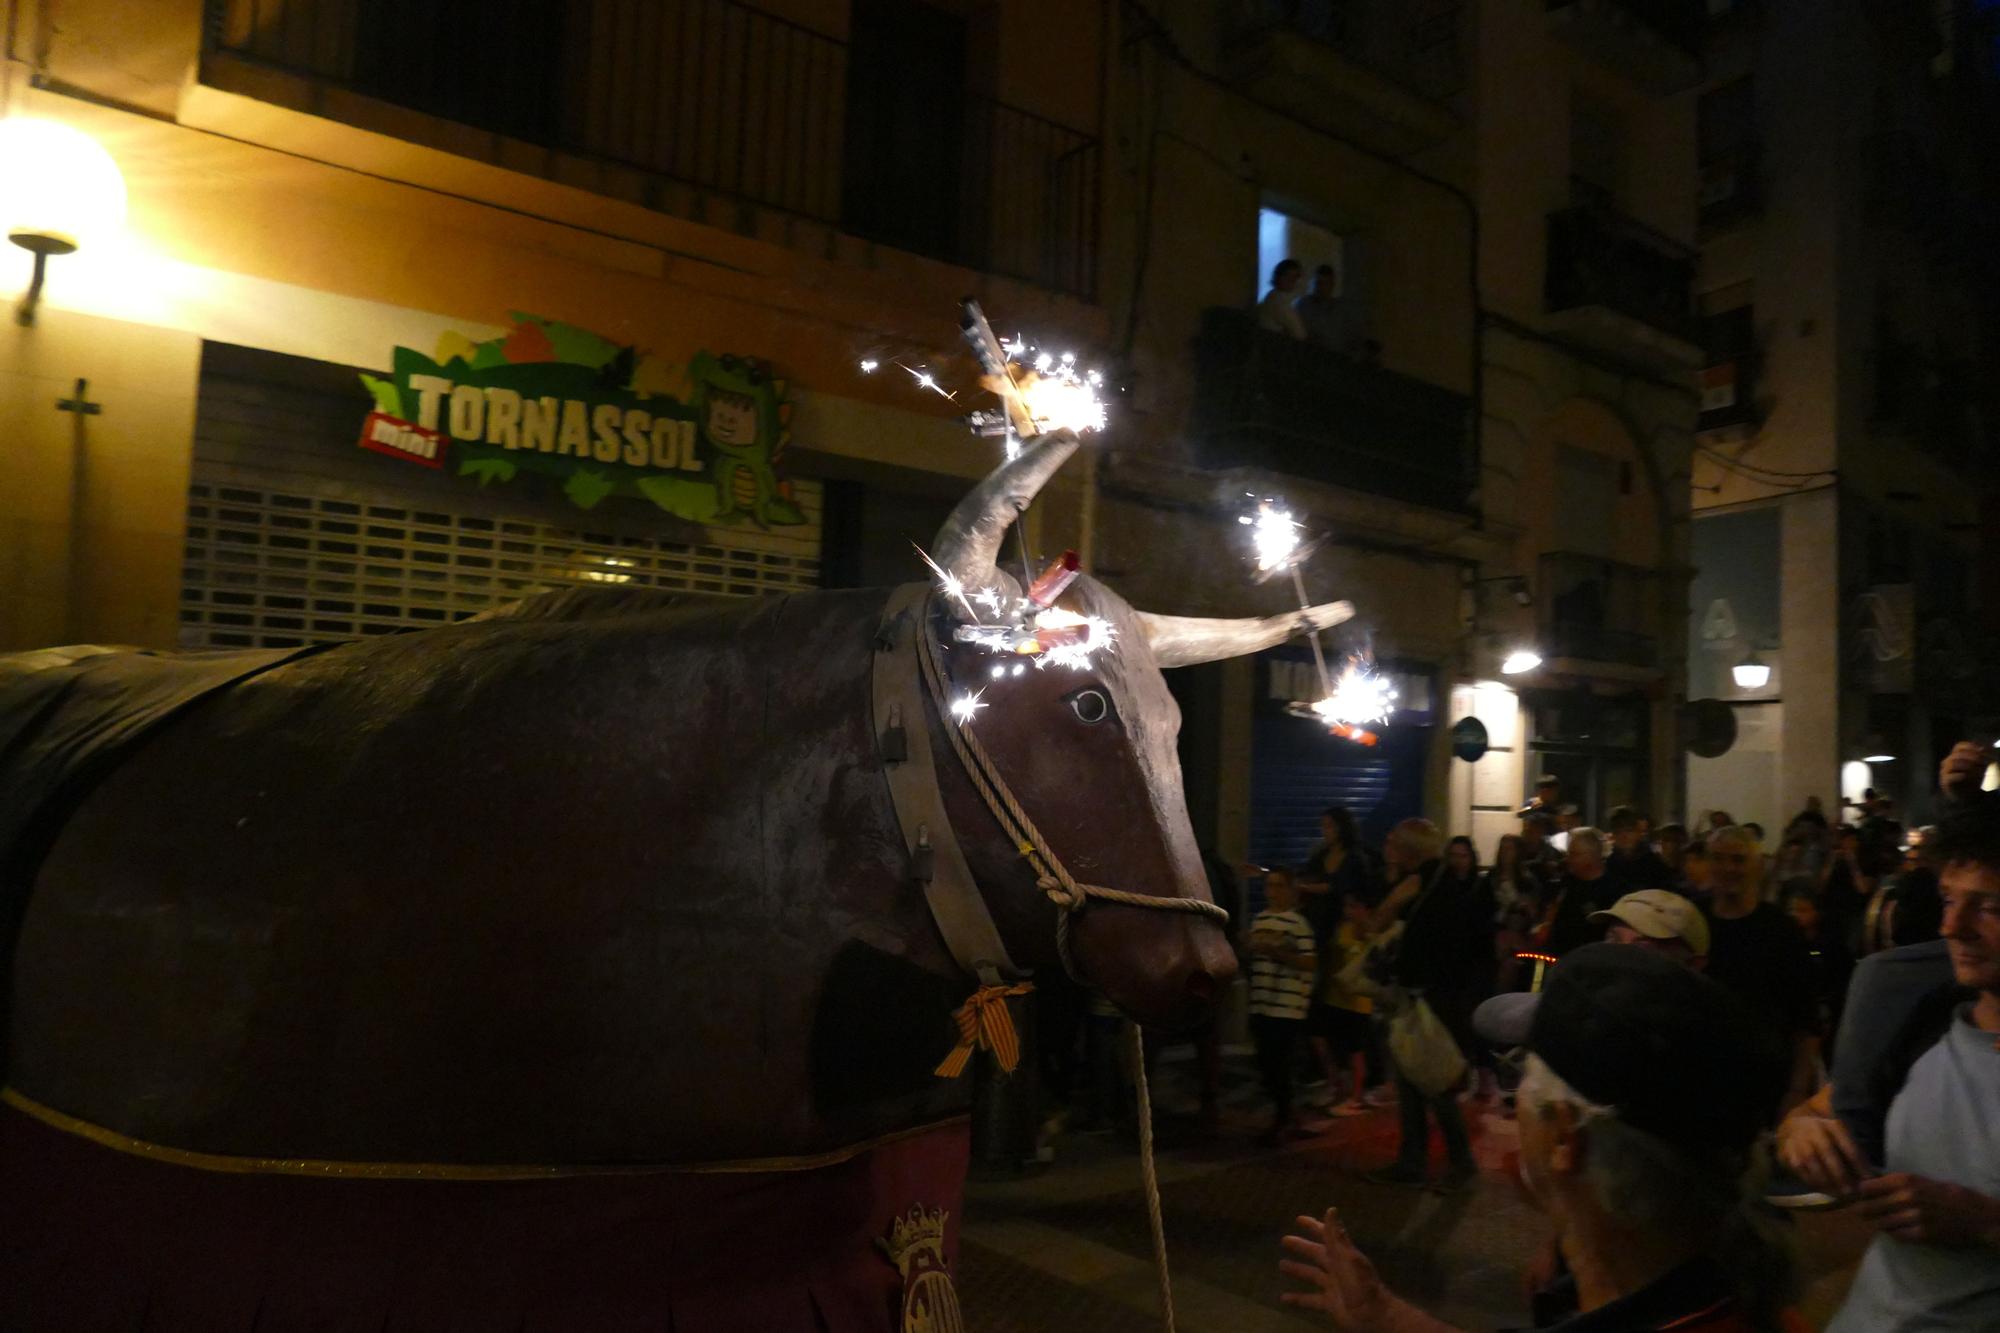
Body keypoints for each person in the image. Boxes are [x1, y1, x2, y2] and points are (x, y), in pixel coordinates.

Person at [1280, 945, 1800, 1332]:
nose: (1513, 1094)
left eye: (1521, 1072)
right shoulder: (1723, 1295)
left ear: (1561, 1137)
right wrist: (1387, 1317)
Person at [1820, 805, 2000, 1332]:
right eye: (1949, 900)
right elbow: (1818, 1113)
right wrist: (1804, 1130)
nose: (1952, 926)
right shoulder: (1918, 1021)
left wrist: (1982, 1222)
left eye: (1989, 906)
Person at [1366, 821, 1488, 1193]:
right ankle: (1413, 1160)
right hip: (1429, 995)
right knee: (1413, 1079)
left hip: (1431, 997)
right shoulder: (1441, 882)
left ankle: (1458, 1164)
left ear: (1410, 851)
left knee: (1434, 1081)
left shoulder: (1423, 883)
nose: (1387, 847)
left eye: (1393, 843)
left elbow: (1380, 920)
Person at [1704, 825, 1820, 1114]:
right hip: (1705, 1082)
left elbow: (1806, 1020)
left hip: (1767, 1085)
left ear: (1757, 866)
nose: (1728, 868)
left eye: (1738, 860)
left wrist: (1796, 1091)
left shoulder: (1781, 930)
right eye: (1718, 858)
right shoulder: (1693, 922)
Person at [1246, 867, 1318, 1144]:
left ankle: (1283, 1118)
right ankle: (1287, 1115)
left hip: (1286, 1006)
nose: (1272, 892)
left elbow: (1310, 963)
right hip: (1262, 1003)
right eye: (1269, 886)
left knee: (1280, 1064)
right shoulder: (1260, 919)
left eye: (1278, 886)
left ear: (1290, 890)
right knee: (1267, 1062)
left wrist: (1276, 952)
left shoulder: (1298, 924)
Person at [1317, 891, 1385, 1116]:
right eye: (1348, 907)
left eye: (1355, 906)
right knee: (1335, 1046)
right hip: (1336, 998)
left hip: (1358, 1003)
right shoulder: (1342, 930)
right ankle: (1339, 1087)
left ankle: (1357, 1096)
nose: (1350, 912)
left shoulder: (1373, 936)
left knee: (1357, 1050)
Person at [1781, 884, 1855, 1060]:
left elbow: (1842, 981)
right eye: (1792, 910)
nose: (1795, 915)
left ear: (1816, 913)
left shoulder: (1831, 944)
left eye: (1803, 910)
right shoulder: (1785, 942)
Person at [1531, 828, 1612, 960]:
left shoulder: (1612, 889)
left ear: (1592, 855)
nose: (1568, 859)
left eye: (1574, 854)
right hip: (1561, 960)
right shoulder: (1567, 883)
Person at [1602, 807, 1675, 899]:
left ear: (1638, 833)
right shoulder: (1607, 866)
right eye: (1618, 832)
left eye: (1629, 830)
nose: (1624, 836)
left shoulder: (1654, 865)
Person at [1294, 262, 1362, 354]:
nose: (1321, 288)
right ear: (1312, 283)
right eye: (1319, 283)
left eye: (1326, 283)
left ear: (1332, 285)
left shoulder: (1344, 308)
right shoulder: (1303, 305)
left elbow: (1354, 337)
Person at [1258, 259, 1308, 340]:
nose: (1292, 281)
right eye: (1287, 276)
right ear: (1278, 277)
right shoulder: (1280, 303)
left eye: (1295, 277)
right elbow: (1300, 335)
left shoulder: (1271, 295)